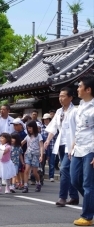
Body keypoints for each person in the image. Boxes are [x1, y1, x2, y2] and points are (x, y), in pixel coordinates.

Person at [45, 87, 79, 207]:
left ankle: (62, 197)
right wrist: (48, 140)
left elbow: (79, 129)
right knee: (67, 171)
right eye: (60, 96)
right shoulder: (59, 112)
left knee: (64, 169)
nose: (61, 98)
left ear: (70, 98)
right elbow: (53, 127)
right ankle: (74, 196)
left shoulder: (75, 111)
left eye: (63, 96)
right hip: (61, 143)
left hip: (72, 144)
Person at [69, 75, 94, 226]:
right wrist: (72, 145)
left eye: (80, 86)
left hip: (91, 148)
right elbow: (78, 129)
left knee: (88, 184)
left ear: (88, 89)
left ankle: (87, 216)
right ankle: (91, 204)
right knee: (74, 179)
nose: (77, 89)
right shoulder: (80, 106)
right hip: (78, 148)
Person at [21, 121, 44, 193]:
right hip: (28, 154)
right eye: (28, 128)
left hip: (36, 155)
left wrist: (41, 155)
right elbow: (22, 143)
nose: (29, 129)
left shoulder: (39, 136)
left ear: (34, 127)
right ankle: (25, 186)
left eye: (30, 128)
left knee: (34, 172)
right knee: (26, 170)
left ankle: (38, 183)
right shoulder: (28, 136)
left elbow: (41, 146)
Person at [10, 118, 27, 190]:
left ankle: (22, 183)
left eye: (16, 125)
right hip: (14, 155)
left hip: (22, 153)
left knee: (21, 169)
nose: (15, 126)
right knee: (16, 170)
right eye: (14, 125)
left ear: (21, 125)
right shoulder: (13, 133)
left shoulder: (24, 134)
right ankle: (17, 182)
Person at [40, 113, 56, 182]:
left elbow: (56, 136)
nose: (45, 121)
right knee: (42, 163)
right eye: (44, 119)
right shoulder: (41, 127)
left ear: (50, 120)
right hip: (43, 148)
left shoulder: (53, 127)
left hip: (52, 146)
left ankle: (51, 176)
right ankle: (42, 176)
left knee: (51, 163)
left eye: (47, 119)